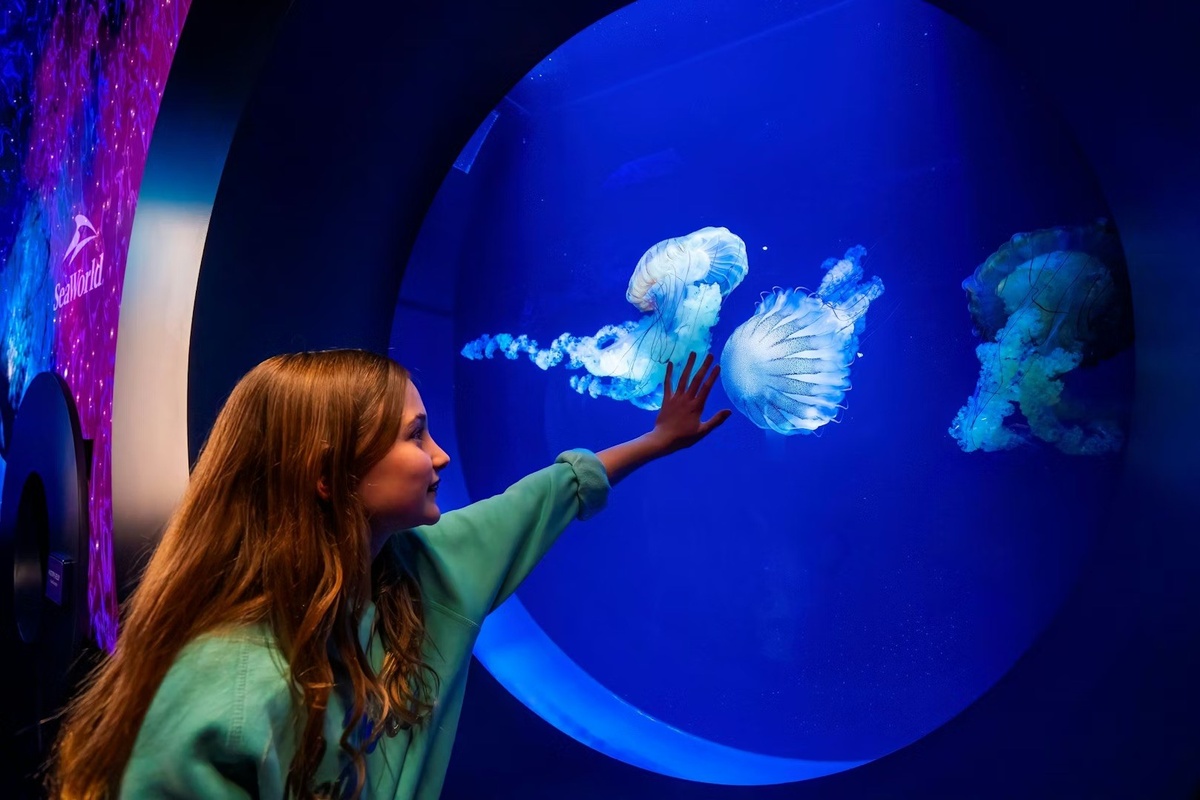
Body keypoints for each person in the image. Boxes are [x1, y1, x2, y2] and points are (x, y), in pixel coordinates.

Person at [47, 347, 730, 799]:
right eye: (415, 435)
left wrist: (656, 441)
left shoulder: (420, 572)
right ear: (326, 474)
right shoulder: (231, 688)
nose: (439, 457)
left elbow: (541, 498)